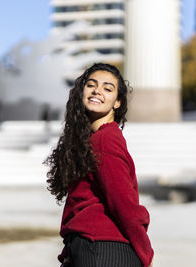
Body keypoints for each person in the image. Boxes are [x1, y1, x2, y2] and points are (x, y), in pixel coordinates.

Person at [44, 63, 154, 267]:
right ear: (81, 91)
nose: (97, 91)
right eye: (91, 85)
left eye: (108, 88)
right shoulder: (90, 140)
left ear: (117, 102)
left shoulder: (106, 140)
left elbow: (123, 203)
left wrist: (146, 254)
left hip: (105, 251)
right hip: (91, 249)